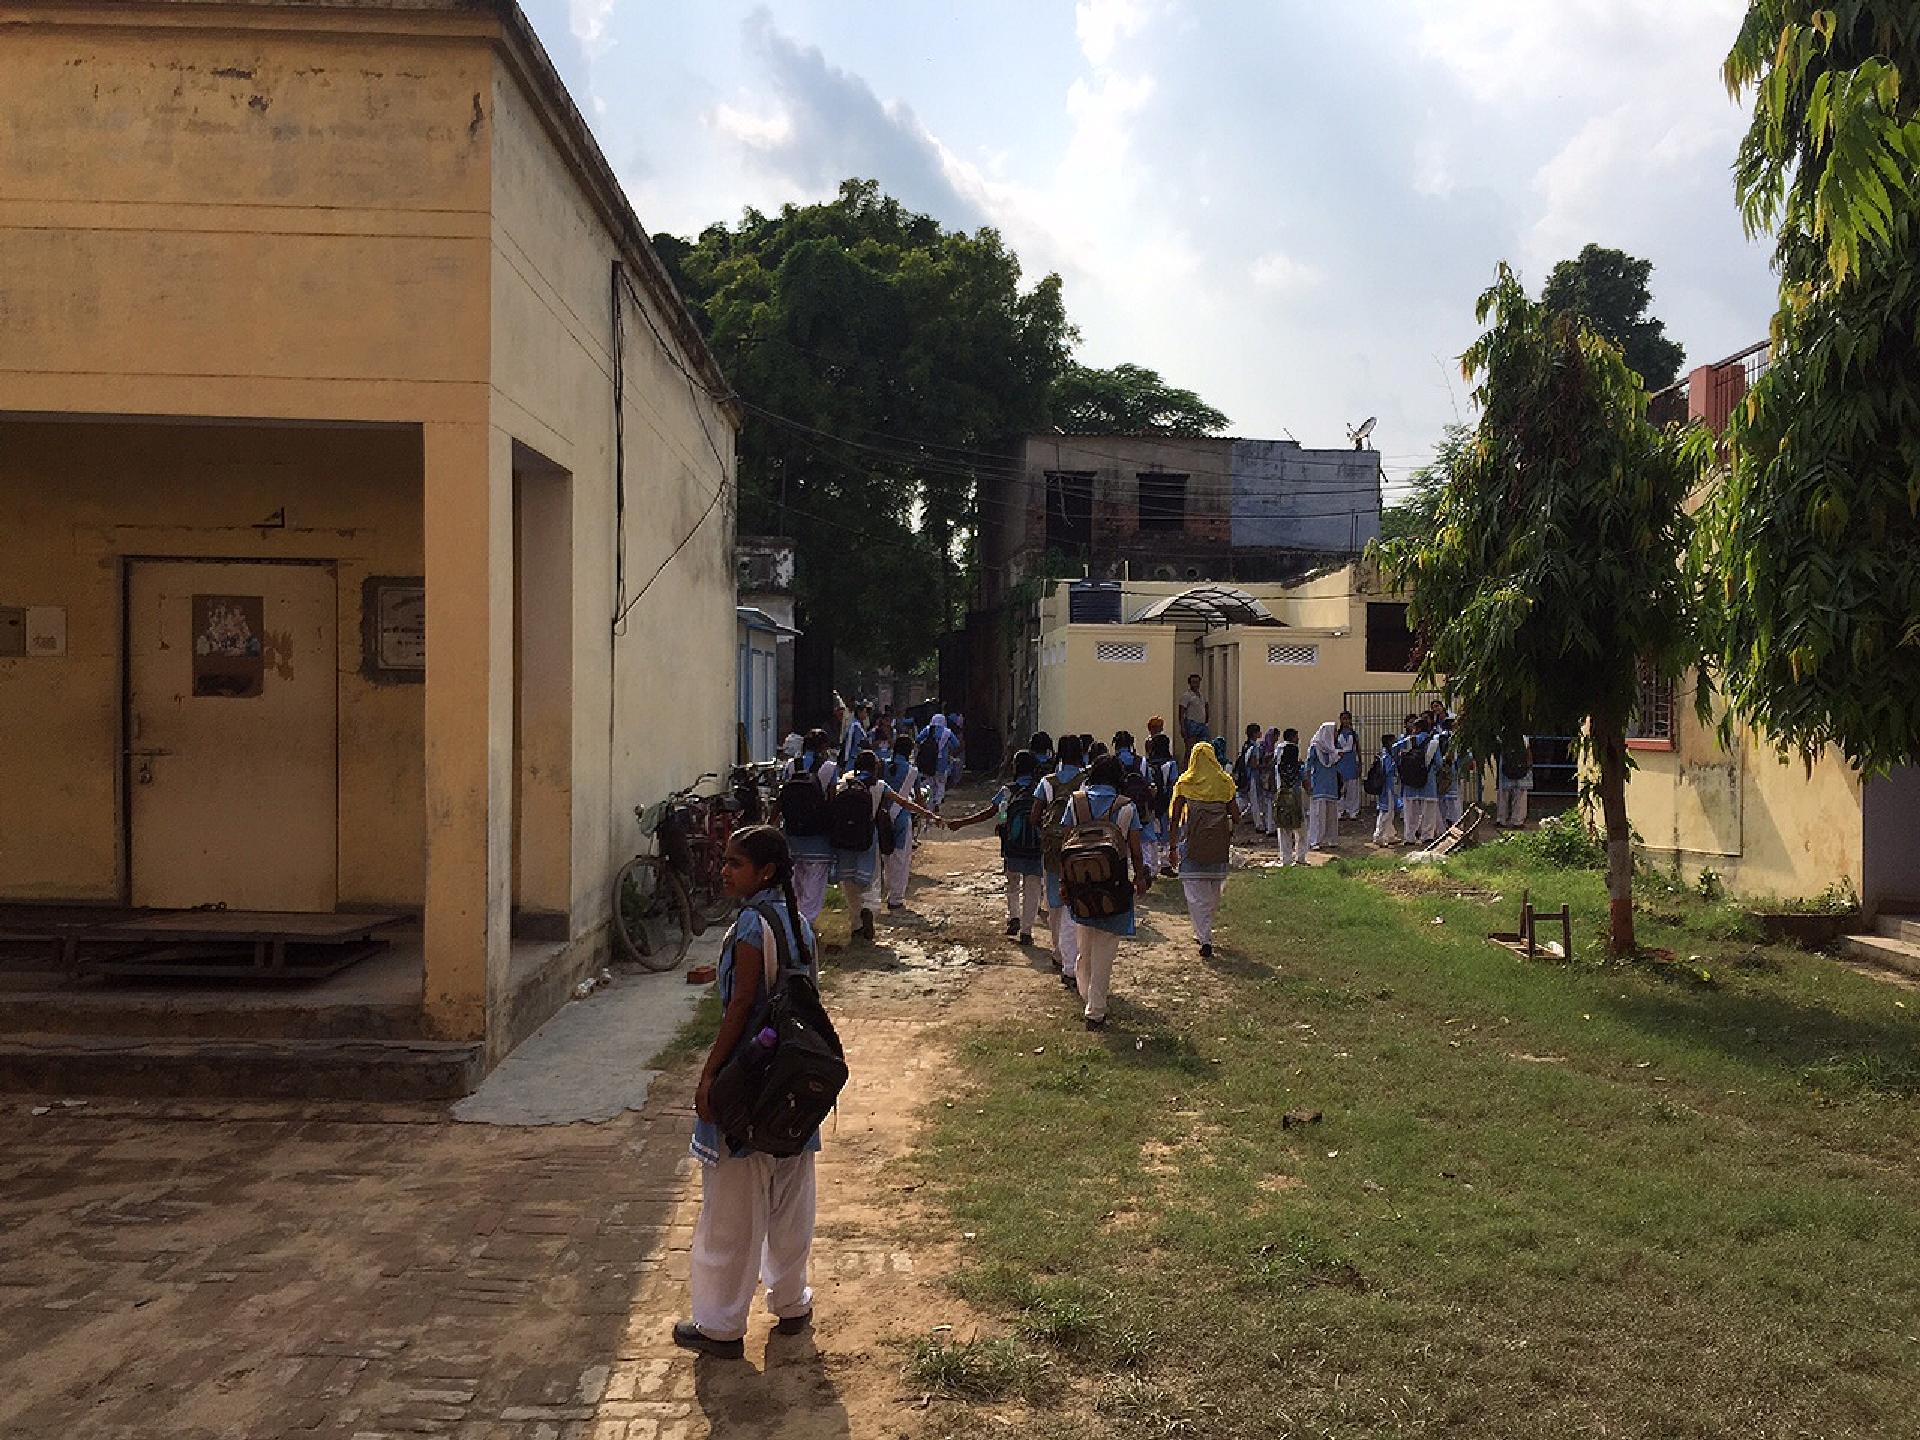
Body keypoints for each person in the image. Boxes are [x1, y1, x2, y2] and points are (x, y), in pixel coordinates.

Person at [677, 825, 819, 1360]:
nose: (724, 870)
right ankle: (791, 1303)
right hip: (794, 1081)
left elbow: (740, 1010)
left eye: (735, 863)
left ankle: (720, 1326)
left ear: (764, 872)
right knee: (790, 1199)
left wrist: (709, 1075)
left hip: (750, 1082)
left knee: (731, 1212)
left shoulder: (749, 927)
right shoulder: (798, 923)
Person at [1062, 756, 1153, 1029]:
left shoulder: (1076, 802)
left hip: (1079, 884)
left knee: (1084, 946)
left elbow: (1065, 843)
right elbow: (1135, 849)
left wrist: (1063, 883)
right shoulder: (1126, 807)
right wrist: (1140, 877)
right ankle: (1096, 1009)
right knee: (1105, 949)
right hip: (1113, 886)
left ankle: (1087, 994)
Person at [832, 748, 937, 941]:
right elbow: (904, 802)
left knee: (849, 883)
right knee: (871, 880)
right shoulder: (879, 785)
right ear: (875, 767)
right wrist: (929, 814)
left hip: (844, 840)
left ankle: (856, 925)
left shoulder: (844, 783)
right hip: (868, 838)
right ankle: (869, 909)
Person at [947, 750, 1044, 943]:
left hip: (1012, 846)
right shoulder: (1041, 789)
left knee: (1013, 882)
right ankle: (1026, 930)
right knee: (1033, 887)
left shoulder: (1007, 790)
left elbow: (989, 813)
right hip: (1035, 847)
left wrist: (961, 822)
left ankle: (1013, 917)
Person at [1168, 742, 1240, 959]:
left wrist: (1172, 846)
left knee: (1195, 895)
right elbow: (1236, 816)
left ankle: (1204, 936)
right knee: (1213, 895)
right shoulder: (1225, 782)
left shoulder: (1186, 782)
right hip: (1218, 848)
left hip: (1193, 847)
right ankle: (1205, 932)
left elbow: (1174, 817)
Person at [1031, 733, 1087, 990]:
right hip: (1081, 845)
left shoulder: (1047, 781)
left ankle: (1057, 950)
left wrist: (1045, 833)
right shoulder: (1086, 781)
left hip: (1053, 846)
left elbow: (1035, 815)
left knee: (1054, 900)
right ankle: (1073, 956)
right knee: (1076, 901)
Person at [778, 728, 838, 925]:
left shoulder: (791, 766)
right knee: (815, 880)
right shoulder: (829, 767)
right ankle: (806, 922)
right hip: (818, 834)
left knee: (797, 878)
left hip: (793, 831)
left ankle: (793, 917)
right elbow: (831, 799)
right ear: (823, 747)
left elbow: (782, 797)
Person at [872, 732, 921, 910]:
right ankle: (896, 897)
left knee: (882, 856)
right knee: (901, 858)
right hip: (901, 816)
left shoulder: (882, 765)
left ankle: (877, 896)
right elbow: (919, 797)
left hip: (881, 816)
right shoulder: (912, 771)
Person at [1395, 717, 1441, 847]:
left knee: (1410, 811)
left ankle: (1410, 837)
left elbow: (1395, 752)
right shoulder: (1433, 743)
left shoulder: (1407, 741)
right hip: (1428, 781)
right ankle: (1427, 836)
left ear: (1417, 728)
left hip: (1410, 781)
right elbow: (1438, 763)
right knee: (1429, 810)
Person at [1141, 731, 1177, 876]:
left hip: (1151, 801)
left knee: (1153, 833)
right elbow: (1174, 782)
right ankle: (1166, 863)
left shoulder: (1148, 763)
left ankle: (1152, 866)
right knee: (1167, 832)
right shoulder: (1170, 764)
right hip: (1167, 800)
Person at [1305, 722, 1342, 850]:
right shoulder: (1315, 748)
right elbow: (1308, 766)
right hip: (1319, 784)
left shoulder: (1333, 748)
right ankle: (1315, 840)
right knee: (1318, 815)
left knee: (1332, 814)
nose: (1337, 734)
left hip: (1331, 784)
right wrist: (1308, 782)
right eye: (1335, 731)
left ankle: (1332, 839)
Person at [1274, 728, 1307, 866]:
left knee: (1283, 828)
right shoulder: (1294, 763)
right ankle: (1300, 857)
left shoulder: (1278, 757)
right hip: (1294, 793)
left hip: (1281, 793)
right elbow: (1300, 776)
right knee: (1300, 827)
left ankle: (1286, 859)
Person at [915, 714, 957, 811]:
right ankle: (938, 801)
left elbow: (918, 739)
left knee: (929, 783)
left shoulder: (928, 729)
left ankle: (930, 803)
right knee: (941, 783)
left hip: (929, 762)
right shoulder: (948, 732)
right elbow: (956, 744)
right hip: (942, 763)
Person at [1496, 733, 1534, 828]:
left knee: (1504, 794)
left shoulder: (1502, 736)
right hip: (1519, 765)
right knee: (1520, 795)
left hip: (1508, 765)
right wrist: (1529, 765)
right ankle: (1517, 821)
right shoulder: (1523, 736)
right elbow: (1528, 750)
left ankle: (1502, 819)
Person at [1245, 727, 1278, 835]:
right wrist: (1267, 766)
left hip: (1260, 778)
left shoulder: (1259, 747)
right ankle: (1259, 825)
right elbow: (1254, 764)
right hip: (1255, 777)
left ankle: (1263, 824)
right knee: (1257, 802)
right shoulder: (1256, 747)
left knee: (1262, 802)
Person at [1370, 732, 1400, 846]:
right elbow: (1388, 771)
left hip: (1390, 787)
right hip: (1387, 787)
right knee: (1386, 811)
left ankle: (1390, 834)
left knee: (1390, 811)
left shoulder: (1387, 755)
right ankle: (1378, 835)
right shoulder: (1386, 757)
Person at [1334, 711, 1363, 821]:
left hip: (1351, 763)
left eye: (1347, 719)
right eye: (1343, 719)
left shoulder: (1354, 734)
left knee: (1352, 788)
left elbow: (1358, 749)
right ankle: (1340, 811)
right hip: (1340, 764)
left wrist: (1360, 763)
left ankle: (1353, 811)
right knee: (1340, 789)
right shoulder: (1337, 734)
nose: (1345, 721)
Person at [1178, 675, 1208, 756]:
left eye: (1197, 682)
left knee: (1203, 749)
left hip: (1202, 724)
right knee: (1190, 749)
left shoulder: (1202, 695)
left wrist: (1206, 720)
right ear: (1190, 683)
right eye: (1193, 682)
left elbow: (1205, 706)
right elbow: (1181, 712)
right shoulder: (1186, 696)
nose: (1196, 684)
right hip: (1191, 724)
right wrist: (1182, 727)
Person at [1234, 723, 1262, 813]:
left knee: (1245, 799)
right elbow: (1253, 764)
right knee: (1254, 801)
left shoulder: (1246, 745)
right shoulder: (1254, 747)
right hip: (1251, 776)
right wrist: (1263, 766)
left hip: (1245, 775)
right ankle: (1258, 824)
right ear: (1254, 734)